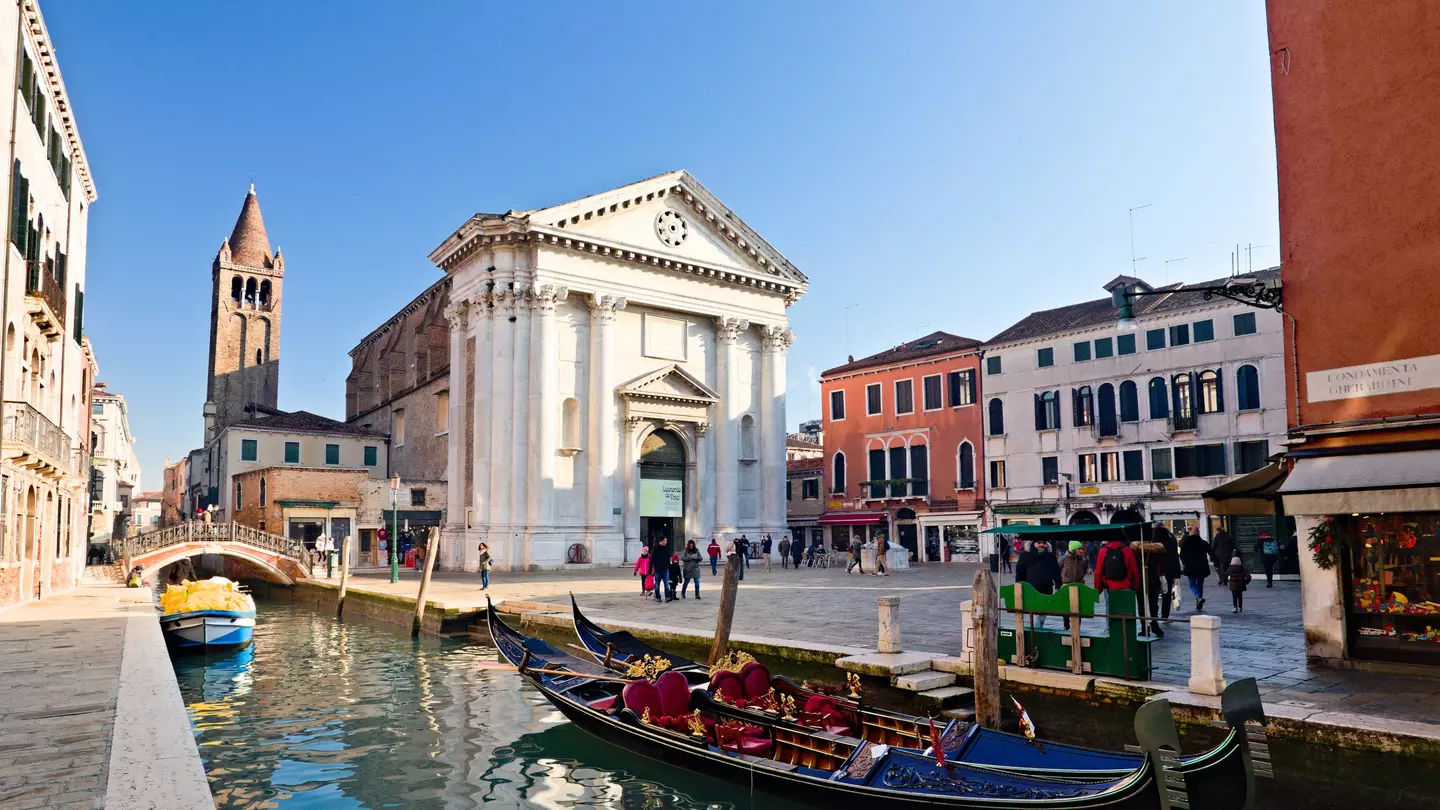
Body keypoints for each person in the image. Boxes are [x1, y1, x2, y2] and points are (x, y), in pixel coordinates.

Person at [1015, 538, 1062, 628]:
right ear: (1033, 544)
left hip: (1046, 588)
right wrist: (1019, 585)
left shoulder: (1050, 556)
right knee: (1036, 613)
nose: (1041, 545)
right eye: (1039, 542)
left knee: (1042, 613)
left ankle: (1037, 631)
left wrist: (1058, 583)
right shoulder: (1025, 555)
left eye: (1043, 543)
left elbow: (1056, 571)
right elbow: (1020, 572)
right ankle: (1036, 632)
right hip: (1031, 588)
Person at [1094, 535, 1142, 605]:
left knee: (1110, 609)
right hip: (1126, 586)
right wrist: (1135, 587)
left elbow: (1098, 573)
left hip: (1109, 587)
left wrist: (1098, 589)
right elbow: (1135, 571)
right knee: (1126, 610)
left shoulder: (1103, 551)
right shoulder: (1128, 550)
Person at [1180, 526, 1213, 612]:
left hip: (1190, 566)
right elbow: (1211, 552)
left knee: (1192, 585)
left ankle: (1198, 597)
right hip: (1202, 566)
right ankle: (1199, 602)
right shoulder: (1202, 542)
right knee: (1200, 585)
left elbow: (1182, 553)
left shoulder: (1186, 542)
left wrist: (1185, 563)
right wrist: (1217, 564)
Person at [1059, 540, 1088, 630]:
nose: (1081, 551)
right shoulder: (1063, 559)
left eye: (1082, 549)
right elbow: (1057, 571)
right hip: (1065, 586)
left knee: (1078, 607)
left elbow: (1083, 572)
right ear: (1073, 549)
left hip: (1078, 586)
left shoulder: (1082, 561)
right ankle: (1066, 625)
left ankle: (1077, 627)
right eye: (1079, 549)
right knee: (1065, 607)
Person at [652, 537, 673, 601]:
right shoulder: (655, 549)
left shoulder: (667, 549)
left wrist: (670, 567)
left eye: (666, 541)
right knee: (657, 585)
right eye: (665, 541)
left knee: (666, 584)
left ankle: (667, 597)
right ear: (661, 541)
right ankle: (658, 597)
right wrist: (650, 569)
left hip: (665, 569)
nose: (666, 542)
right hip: (658, 570)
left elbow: (669, 559)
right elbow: (652, 559)